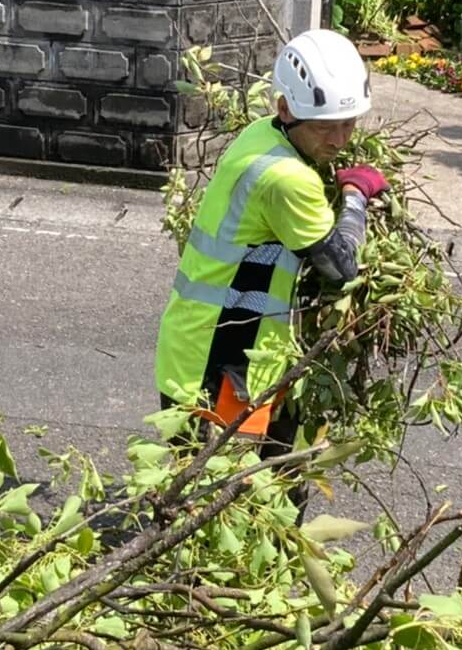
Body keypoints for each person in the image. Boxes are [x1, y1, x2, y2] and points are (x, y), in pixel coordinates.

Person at [155, 28, 389, 459]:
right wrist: (355, 196)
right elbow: (342, 267)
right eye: (324, 128)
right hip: (221, 358)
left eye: (348, 123)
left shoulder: (261, 135)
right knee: (212, 497)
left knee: (241, 485)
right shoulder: (287, 179)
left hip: (201, 339)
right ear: (285, 107)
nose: (338, 140)